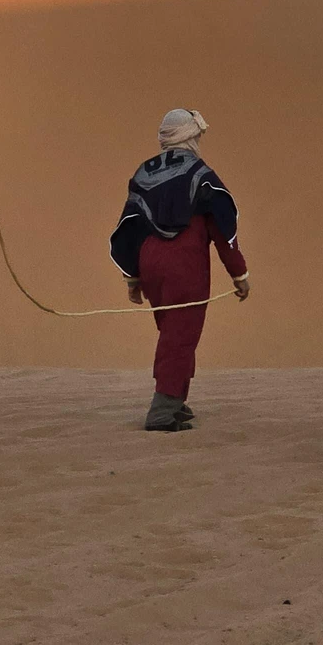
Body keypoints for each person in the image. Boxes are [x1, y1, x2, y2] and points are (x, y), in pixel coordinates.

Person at [110, 108, 249, 432]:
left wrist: (133, 278)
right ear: (189, 136)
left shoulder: (144, 172)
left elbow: (130, 225)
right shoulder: (200, 172)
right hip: (184, 261)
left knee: (173, 330)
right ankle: (163, 409)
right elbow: (221, 226)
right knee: (180, 334)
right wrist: (238, 274)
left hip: (150, 260)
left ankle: (177, 399)